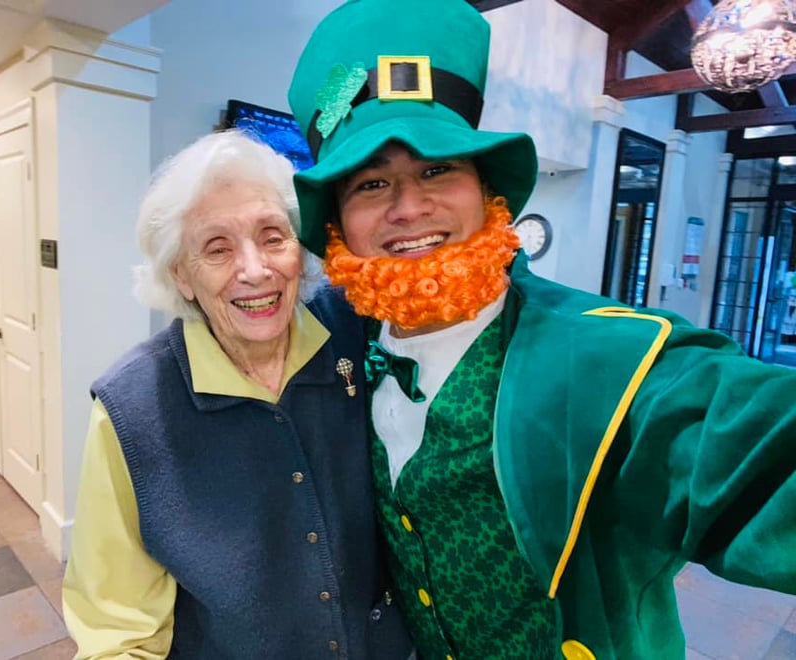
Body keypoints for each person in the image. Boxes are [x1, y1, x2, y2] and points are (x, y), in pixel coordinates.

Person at [285, 1, 796, 658]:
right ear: (338, 227)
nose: (408, 208)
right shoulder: (343, 344)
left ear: (487, 192)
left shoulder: (609, 359)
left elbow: (754, 452)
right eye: (371, 184)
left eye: (437, 170)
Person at [61, 130, 413, 659]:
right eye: (217, 248)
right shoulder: (132, 409)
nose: (254, 270)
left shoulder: (356, 329)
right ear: (181, 275)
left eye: (273, 237)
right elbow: (116, 630)